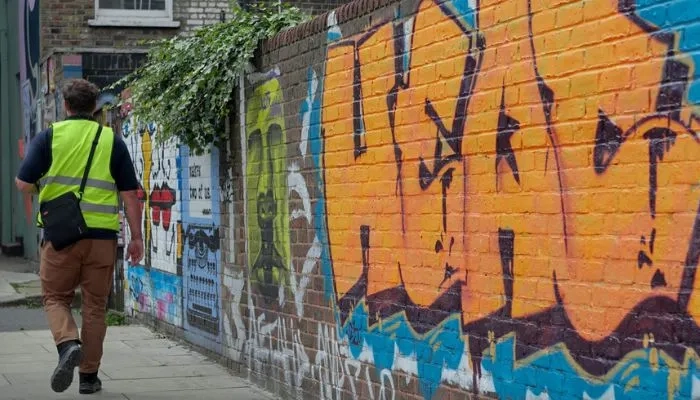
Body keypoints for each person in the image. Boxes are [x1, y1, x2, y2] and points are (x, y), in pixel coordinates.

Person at [15, 79, 144, 395]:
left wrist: (45, 190)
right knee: (96, 306)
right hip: (102, 237)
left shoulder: (49, 137)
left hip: (61, 236)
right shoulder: (111, 139)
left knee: (55, 297)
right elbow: (130, 194)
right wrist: (137, 237)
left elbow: (23, 183)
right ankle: (89, 378)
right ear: (95, 107)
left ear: (66, 106)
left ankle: (68, 343)